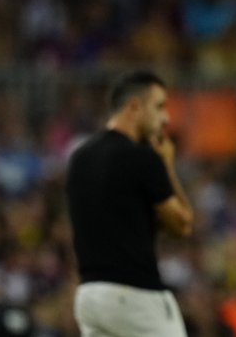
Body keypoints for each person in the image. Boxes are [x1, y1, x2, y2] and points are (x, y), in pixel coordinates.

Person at [66, 70, 194, 337]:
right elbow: (182, 225)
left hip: (90, 294)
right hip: (133, 295)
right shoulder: (141, 158)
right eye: (159, 106)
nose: (165, 118)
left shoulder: (80, 157)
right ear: (134, 106)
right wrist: (167, 166)